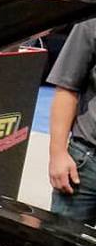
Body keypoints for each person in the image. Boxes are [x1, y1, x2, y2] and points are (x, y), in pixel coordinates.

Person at [47, 19, 96, 222]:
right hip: (88, 163)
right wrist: (57, 153)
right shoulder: (91, 23)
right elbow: (67, 88)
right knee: (62, 237)